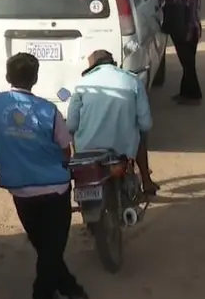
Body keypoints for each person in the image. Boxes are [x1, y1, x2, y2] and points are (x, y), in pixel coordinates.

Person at [0, 55, 90, 299]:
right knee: (51, 248)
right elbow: (65, 149)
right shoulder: (48, 111)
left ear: (8, 78)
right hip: (55, 189)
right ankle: (53, 295)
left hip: (21, 190)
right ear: (36, 79)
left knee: (44, 246)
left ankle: (62, 293)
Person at [66, 49, 158, 195]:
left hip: (87, 152)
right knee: (141, 136)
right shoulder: (133, 81)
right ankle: (146, 181)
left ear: (91, 68)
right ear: (114, 64)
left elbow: (71, 125)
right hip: (123, 151)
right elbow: (145, 124)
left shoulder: (82, 85)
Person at [154, 0, 203, 105]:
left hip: (181, 29)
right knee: (188, 61)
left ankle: (194, 95)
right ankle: (185, 93)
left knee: (187, 64)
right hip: (194, 28)